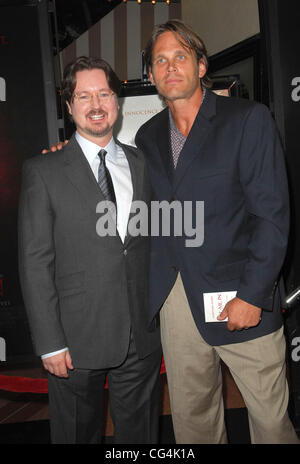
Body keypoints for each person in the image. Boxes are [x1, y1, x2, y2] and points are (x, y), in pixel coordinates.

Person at [134, 20, 300, 444]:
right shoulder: (147, 136)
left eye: (181, 57)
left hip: (242, 298)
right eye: (160, 60)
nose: (171, 68)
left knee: (271, 422)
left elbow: (272, 216)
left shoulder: (247, 120)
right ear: (150, 75)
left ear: (201, 65)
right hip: (177, 300)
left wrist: (252, 295)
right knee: (194, 423)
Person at [18, 56, 161, 444]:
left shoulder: (142, 164)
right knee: (77, 434)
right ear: (69, 105)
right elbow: (35, 263)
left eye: (104, 94)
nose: (95, 104)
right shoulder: (42, 171)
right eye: (84, 96)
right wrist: (50, 341)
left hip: (139, 335)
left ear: (117, 101)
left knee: (140, 436)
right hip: (74, 338)